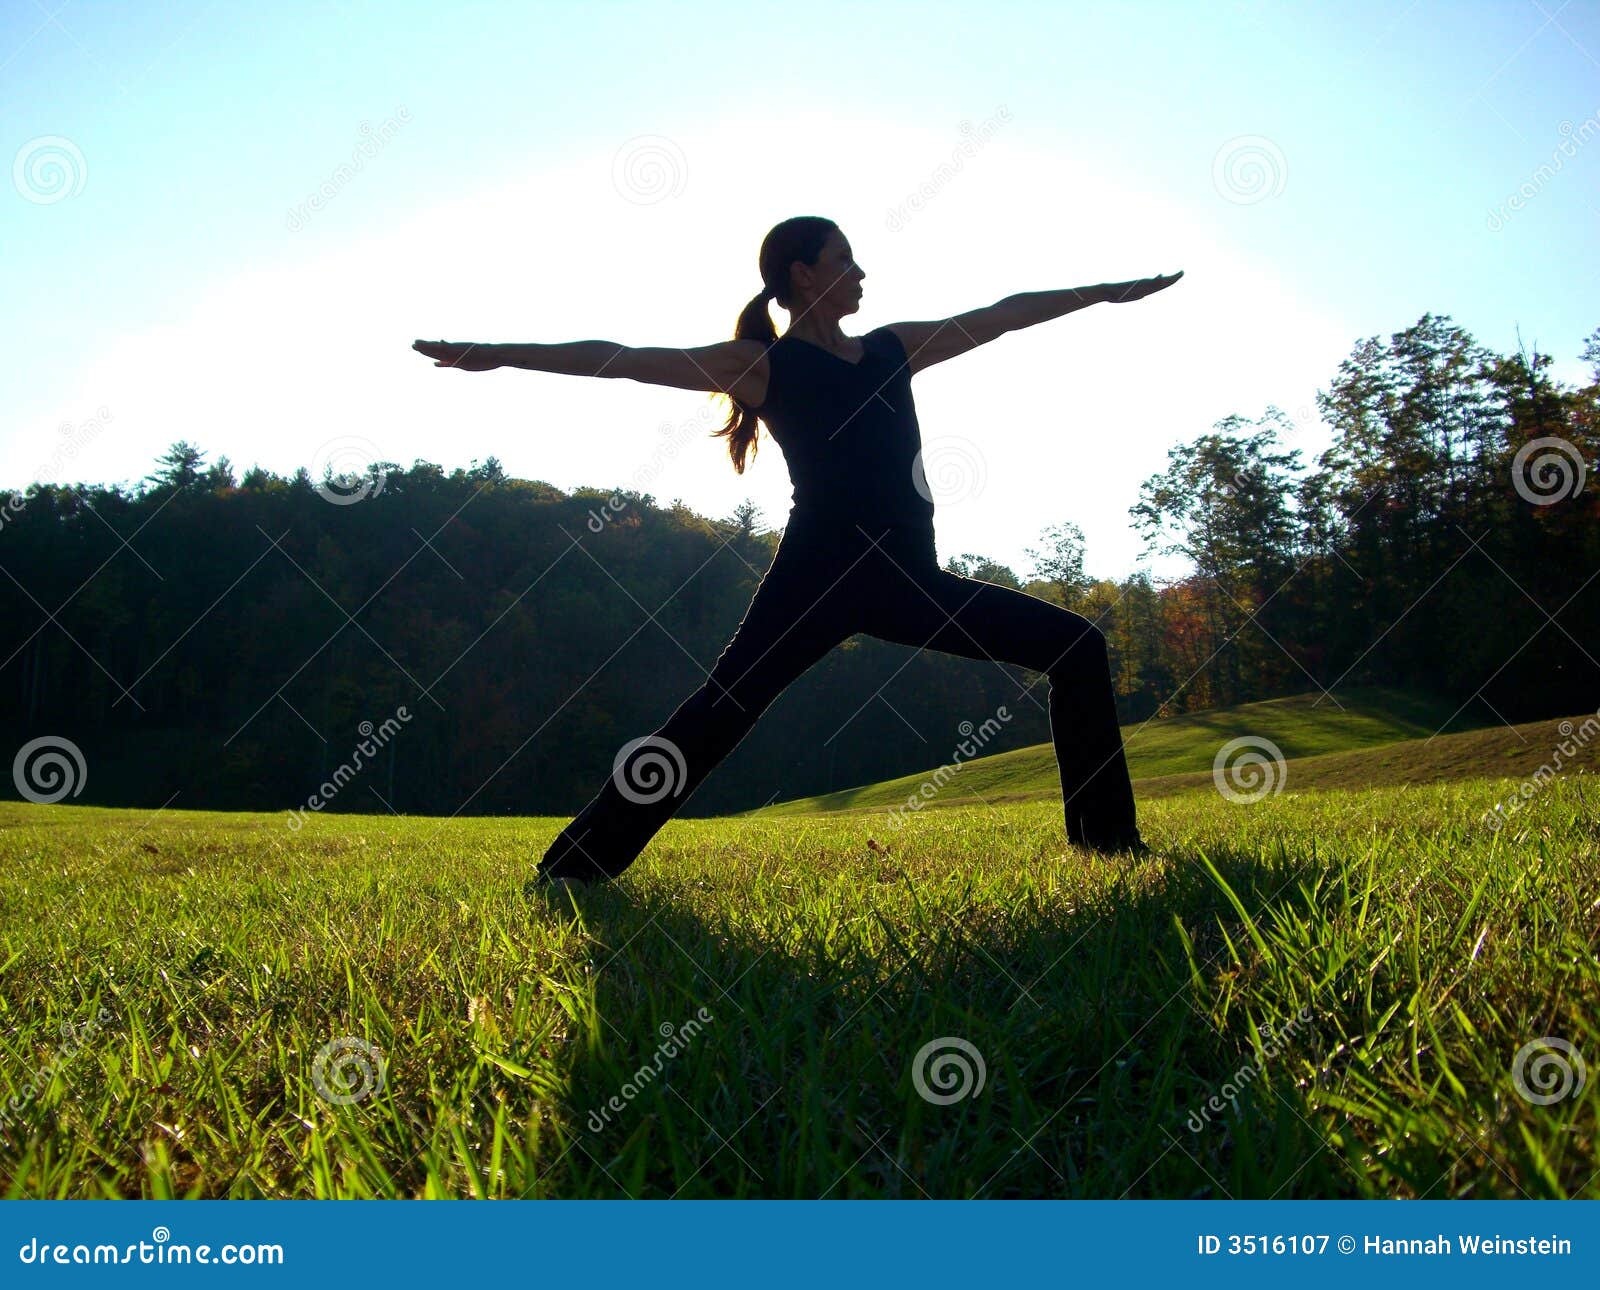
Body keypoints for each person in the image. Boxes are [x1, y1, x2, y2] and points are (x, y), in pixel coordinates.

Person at [413, 216, 1183, 892]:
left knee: (1076, 646)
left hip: (908, 582)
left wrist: (1105, 292)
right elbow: (618, 356)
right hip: (815, 580)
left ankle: (1107, 845)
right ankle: (573, 869)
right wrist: (499, 353)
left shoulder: (891, 350)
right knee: (714, 716)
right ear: (802, 273)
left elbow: (1001, 316)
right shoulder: (762, 365)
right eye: (845, 261)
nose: (861, 275)